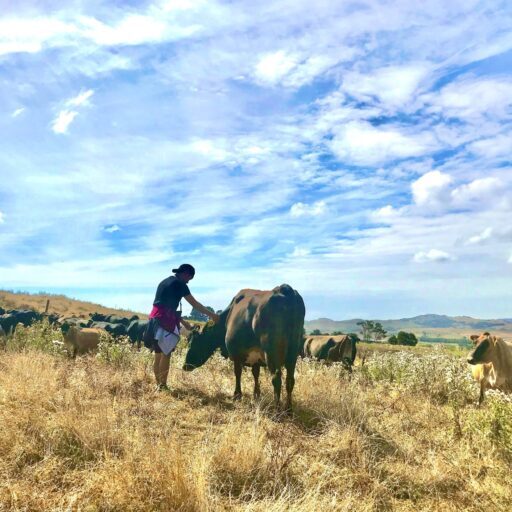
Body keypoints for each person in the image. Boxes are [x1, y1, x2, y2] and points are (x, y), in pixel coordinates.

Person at [149, 263, 219, 391]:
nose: (188, 282)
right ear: (185, 274)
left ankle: (158, 384)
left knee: (158, 354)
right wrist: (212, 315)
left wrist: (183, 322)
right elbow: (195, 304)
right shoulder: (180, 285)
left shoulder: (165, 281)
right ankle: (163, 386)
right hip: (166, 321)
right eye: (189, 278)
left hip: (154, 319)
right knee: (166, 353)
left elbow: (165, 306)